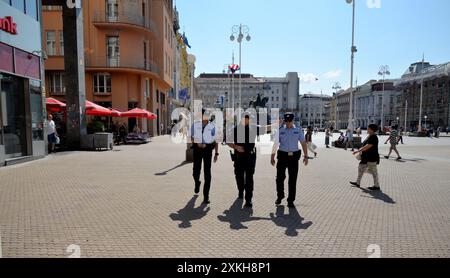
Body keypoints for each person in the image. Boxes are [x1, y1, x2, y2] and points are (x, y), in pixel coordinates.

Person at [271, 112, 309, 208]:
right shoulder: (280, 130)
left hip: (294, 157)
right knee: (279, 178)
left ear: (292, 120)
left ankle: (290, 200)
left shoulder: (298, 130)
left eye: (289, 121)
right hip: (282, 156)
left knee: (292, 179)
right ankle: (280, 196)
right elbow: (275, 144)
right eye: (286, 121)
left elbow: (303, 143)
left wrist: (306, 156)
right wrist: (272, 156)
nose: (287, 123)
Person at [227, 113, 258, 208]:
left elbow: (266, 128)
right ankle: (240, 190)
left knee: (249, 178)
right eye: (249, 119)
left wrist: (276, 124)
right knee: (239, 176)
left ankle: (248, 199)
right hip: (239, 157)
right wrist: (236, 147)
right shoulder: (235, 129)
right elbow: (228, 141)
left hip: (250, 157)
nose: (251, 121)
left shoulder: (253, 128)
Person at [191, 110, 219, 204]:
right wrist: (197, 142)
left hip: (207, 151)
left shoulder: (212, 126)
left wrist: (216, 153)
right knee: (195, 171)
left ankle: (206, 196)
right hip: (197, 150)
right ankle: (197, 182)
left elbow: (216, 140)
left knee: (207, 173)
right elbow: (191, 137)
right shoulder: (195, 125)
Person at [350, 124, 381, 191]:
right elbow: (365, 145)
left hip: (371, 158)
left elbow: (368, 146)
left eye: (368, 128)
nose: (367, 129)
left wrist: (358, 150)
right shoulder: (369, 136)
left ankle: (376, 186)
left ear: (372, 130)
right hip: (366, 157)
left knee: (373, 172)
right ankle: (358, 182)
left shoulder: (373, 137)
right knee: (361, 168)